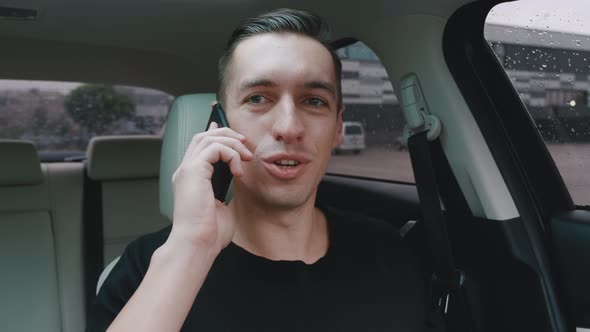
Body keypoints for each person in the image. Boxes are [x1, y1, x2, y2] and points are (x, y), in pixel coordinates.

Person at [88, 8, 425, 331]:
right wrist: (191, 248)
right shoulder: (148, 270)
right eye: (258, 99)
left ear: (338, 126)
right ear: (217, 124)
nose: (289, 127)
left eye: (314, 101)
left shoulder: (388, 252)